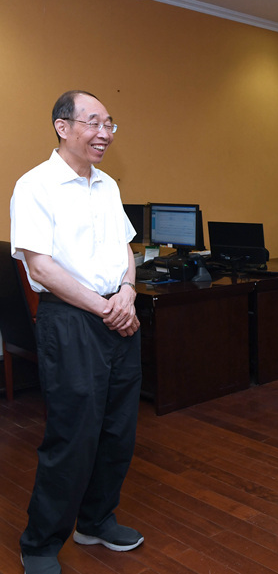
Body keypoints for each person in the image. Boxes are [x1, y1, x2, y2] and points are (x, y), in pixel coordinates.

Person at [10, 91, 143, 574]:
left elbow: (126, 247)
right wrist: (106, 307)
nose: (104, 133)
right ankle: (39, 544)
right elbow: (41, 267)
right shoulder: (35, 185)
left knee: (118, 431)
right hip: (71, 321)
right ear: (63, 127)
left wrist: (127, 290)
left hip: (117, 313)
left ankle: (96, 520)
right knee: (72, 437)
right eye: (93, 122)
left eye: (109, 123)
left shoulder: (106, 185)